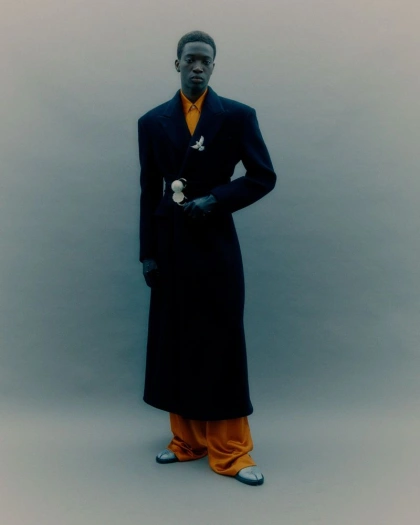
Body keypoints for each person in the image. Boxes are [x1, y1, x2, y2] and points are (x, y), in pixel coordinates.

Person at [137, 30, 276, 486]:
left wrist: (216, 200)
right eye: (190, 59)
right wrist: (147, 254)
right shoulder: (152, 121)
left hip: (214, 240)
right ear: (176, 62)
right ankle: (187, 441)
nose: (197, 67)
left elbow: (262, 176)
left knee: (219, 338)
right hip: (169, 243)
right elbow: (149, 190)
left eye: (205, 61)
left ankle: (232, 450)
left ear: (214, 67)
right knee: (176, 337)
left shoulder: (237, 116)